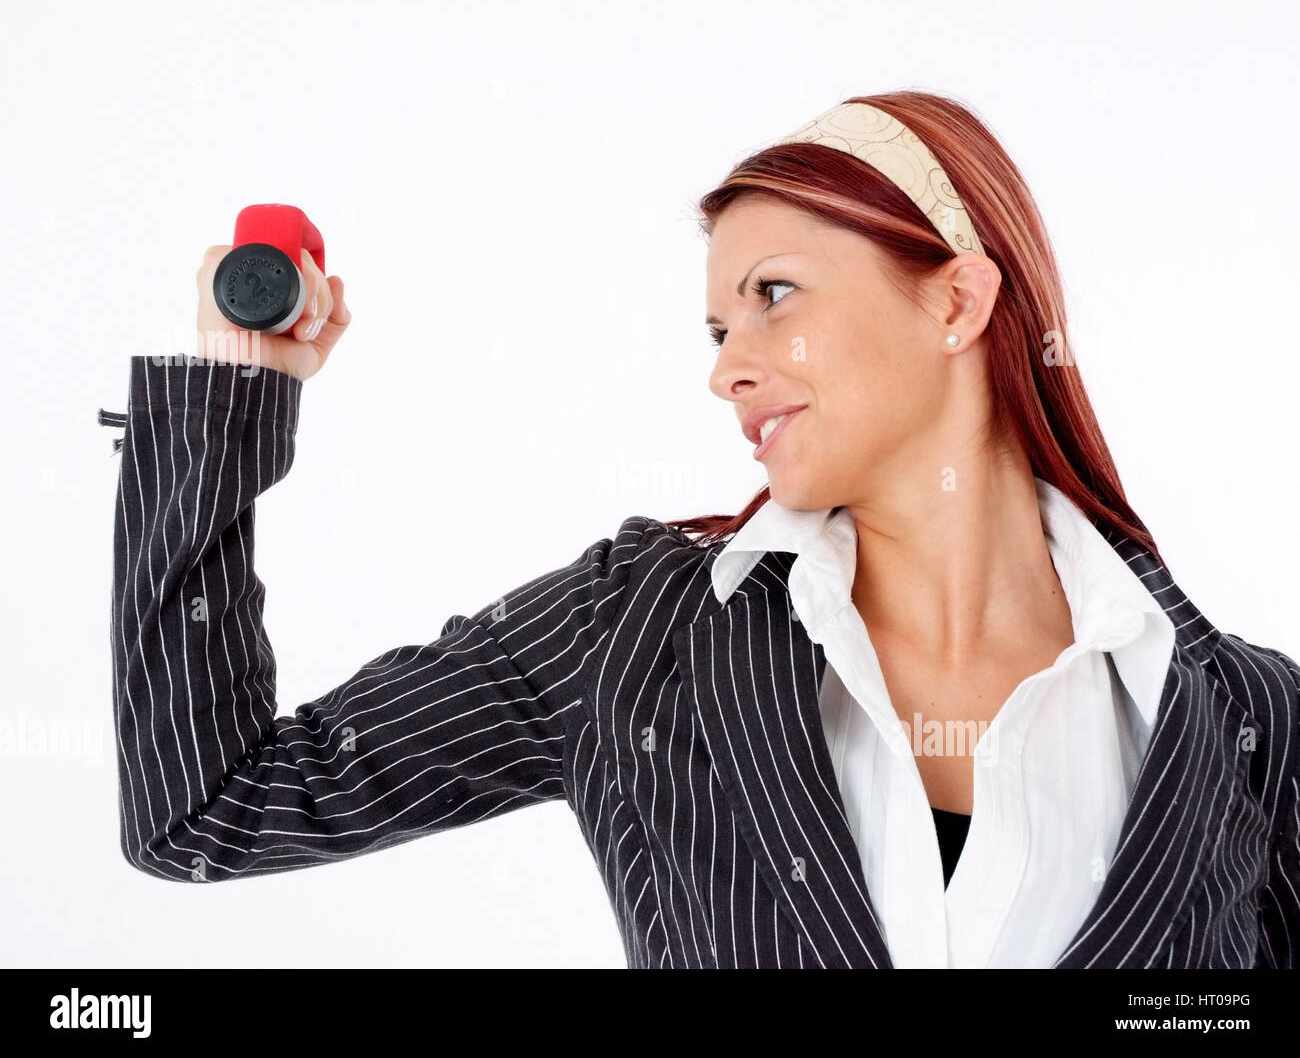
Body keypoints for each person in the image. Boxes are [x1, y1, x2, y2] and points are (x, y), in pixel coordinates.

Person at [100, 89, 1299, 968]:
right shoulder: (632, 633)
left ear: (956, 297)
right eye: (717, 330)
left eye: (772, 296)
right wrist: (233, 399)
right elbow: (203, 807)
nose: (731, 369)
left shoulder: (1250, 721)